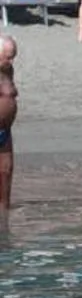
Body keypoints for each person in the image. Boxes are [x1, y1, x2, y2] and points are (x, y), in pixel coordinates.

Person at [0, 33, 15, 211]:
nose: (11, 61)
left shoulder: (8, 70)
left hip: (5, 132)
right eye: (8, 57)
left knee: (5, 172)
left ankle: (4, 218)